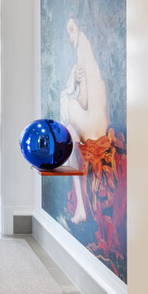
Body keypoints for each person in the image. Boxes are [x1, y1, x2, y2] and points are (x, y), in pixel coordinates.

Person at [60, 17, 109, 224]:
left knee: (69, 126)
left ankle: (81, 206)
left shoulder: (82, 51)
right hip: (101, 123)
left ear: (80, 29)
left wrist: (74, 84)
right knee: (69, 127)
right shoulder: (95, 59)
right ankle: (80, 207)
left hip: (93, 128)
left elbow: (83, 100)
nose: (70, 36)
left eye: (72, 30)